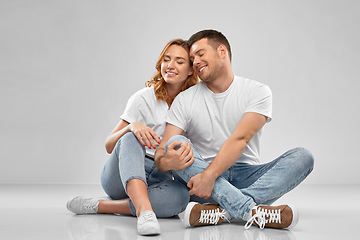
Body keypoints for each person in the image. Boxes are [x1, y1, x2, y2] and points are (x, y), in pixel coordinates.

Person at [154, 30, 314, 230]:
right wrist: (166, 160)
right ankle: (251, 211)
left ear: (222, 51)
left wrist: (210, 177)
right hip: (201, 180)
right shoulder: (185, 99)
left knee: (303, 157)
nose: (195, 62)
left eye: (201, 54)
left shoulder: (257, 91)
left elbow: (241, 138)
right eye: (192, 58)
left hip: (243, 176)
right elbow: (161, 152)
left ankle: (222, 212)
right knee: (176, 144)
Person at [66, 39, 198, 236]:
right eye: (166, 59)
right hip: (121, 174)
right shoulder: (143, 97)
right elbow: (109, 145)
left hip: (159, 176)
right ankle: (145, 212)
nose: (170, 65)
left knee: (180, 197)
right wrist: (132, 127)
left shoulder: (194, 104)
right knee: (130, 138)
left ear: (190, 70)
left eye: (179, 61)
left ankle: (103, 206)